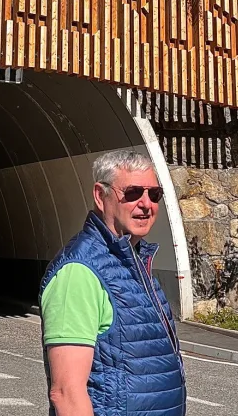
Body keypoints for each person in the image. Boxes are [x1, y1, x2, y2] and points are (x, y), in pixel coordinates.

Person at [40, 150, 185, 416]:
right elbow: (66, 393)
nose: (146, 204)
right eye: (133, 193)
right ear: (100, 195)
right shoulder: (79, 272)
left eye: (154, 194)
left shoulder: (134, 262)